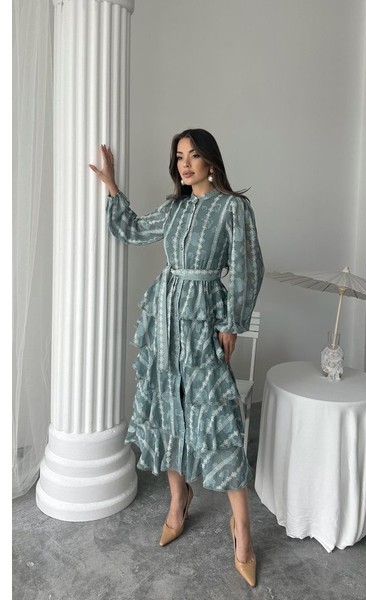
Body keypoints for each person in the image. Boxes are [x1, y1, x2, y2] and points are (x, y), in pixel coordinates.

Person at [89, 128, 264, 587]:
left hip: (204, 318)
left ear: (211, 161)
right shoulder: (174, 208)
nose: (185, 164)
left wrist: (232, 323)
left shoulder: (233, 208)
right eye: (180, 156)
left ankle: (242, 528)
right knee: (167, 403)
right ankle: (178, 498)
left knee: (216, 414)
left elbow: (248, 267)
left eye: (194, 155)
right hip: (164, 317)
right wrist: (112, 186)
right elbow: (132, 230)